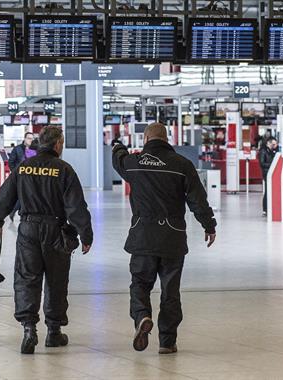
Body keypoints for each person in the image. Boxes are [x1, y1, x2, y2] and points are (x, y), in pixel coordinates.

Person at [111, 123, 217, 355]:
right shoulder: (182, 165)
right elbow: (198, 200)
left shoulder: (134, 163)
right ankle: (167, 342)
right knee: (170, 291)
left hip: (143, 236)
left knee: (139, 283)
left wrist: (118, 146)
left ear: (147, 138)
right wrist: (209, 225)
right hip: (172, 237)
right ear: (167, 138)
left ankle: (142, 316)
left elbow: (118, 159)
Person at [0, 126, 93, 355]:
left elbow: (5, 195)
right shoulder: (64, 169)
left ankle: (29, 330)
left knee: (27, 278)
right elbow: (76, 206)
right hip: (56, 230)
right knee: (56, 280)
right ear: (57, 144)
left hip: (27, 229)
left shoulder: (23, 167)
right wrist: (86, 234)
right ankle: (53, 332)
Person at [259, 137, 279, 216]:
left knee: (271, 191)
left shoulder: (272, 151)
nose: (275, 146)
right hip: (267, 173)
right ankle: (265, 209)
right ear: (268, 143)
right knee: (267, 192)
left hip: (272, 173)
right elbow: (262, 163)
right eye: (273, 144)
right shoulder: (263, 151)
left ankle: (271, 208)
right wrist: (272, 164)